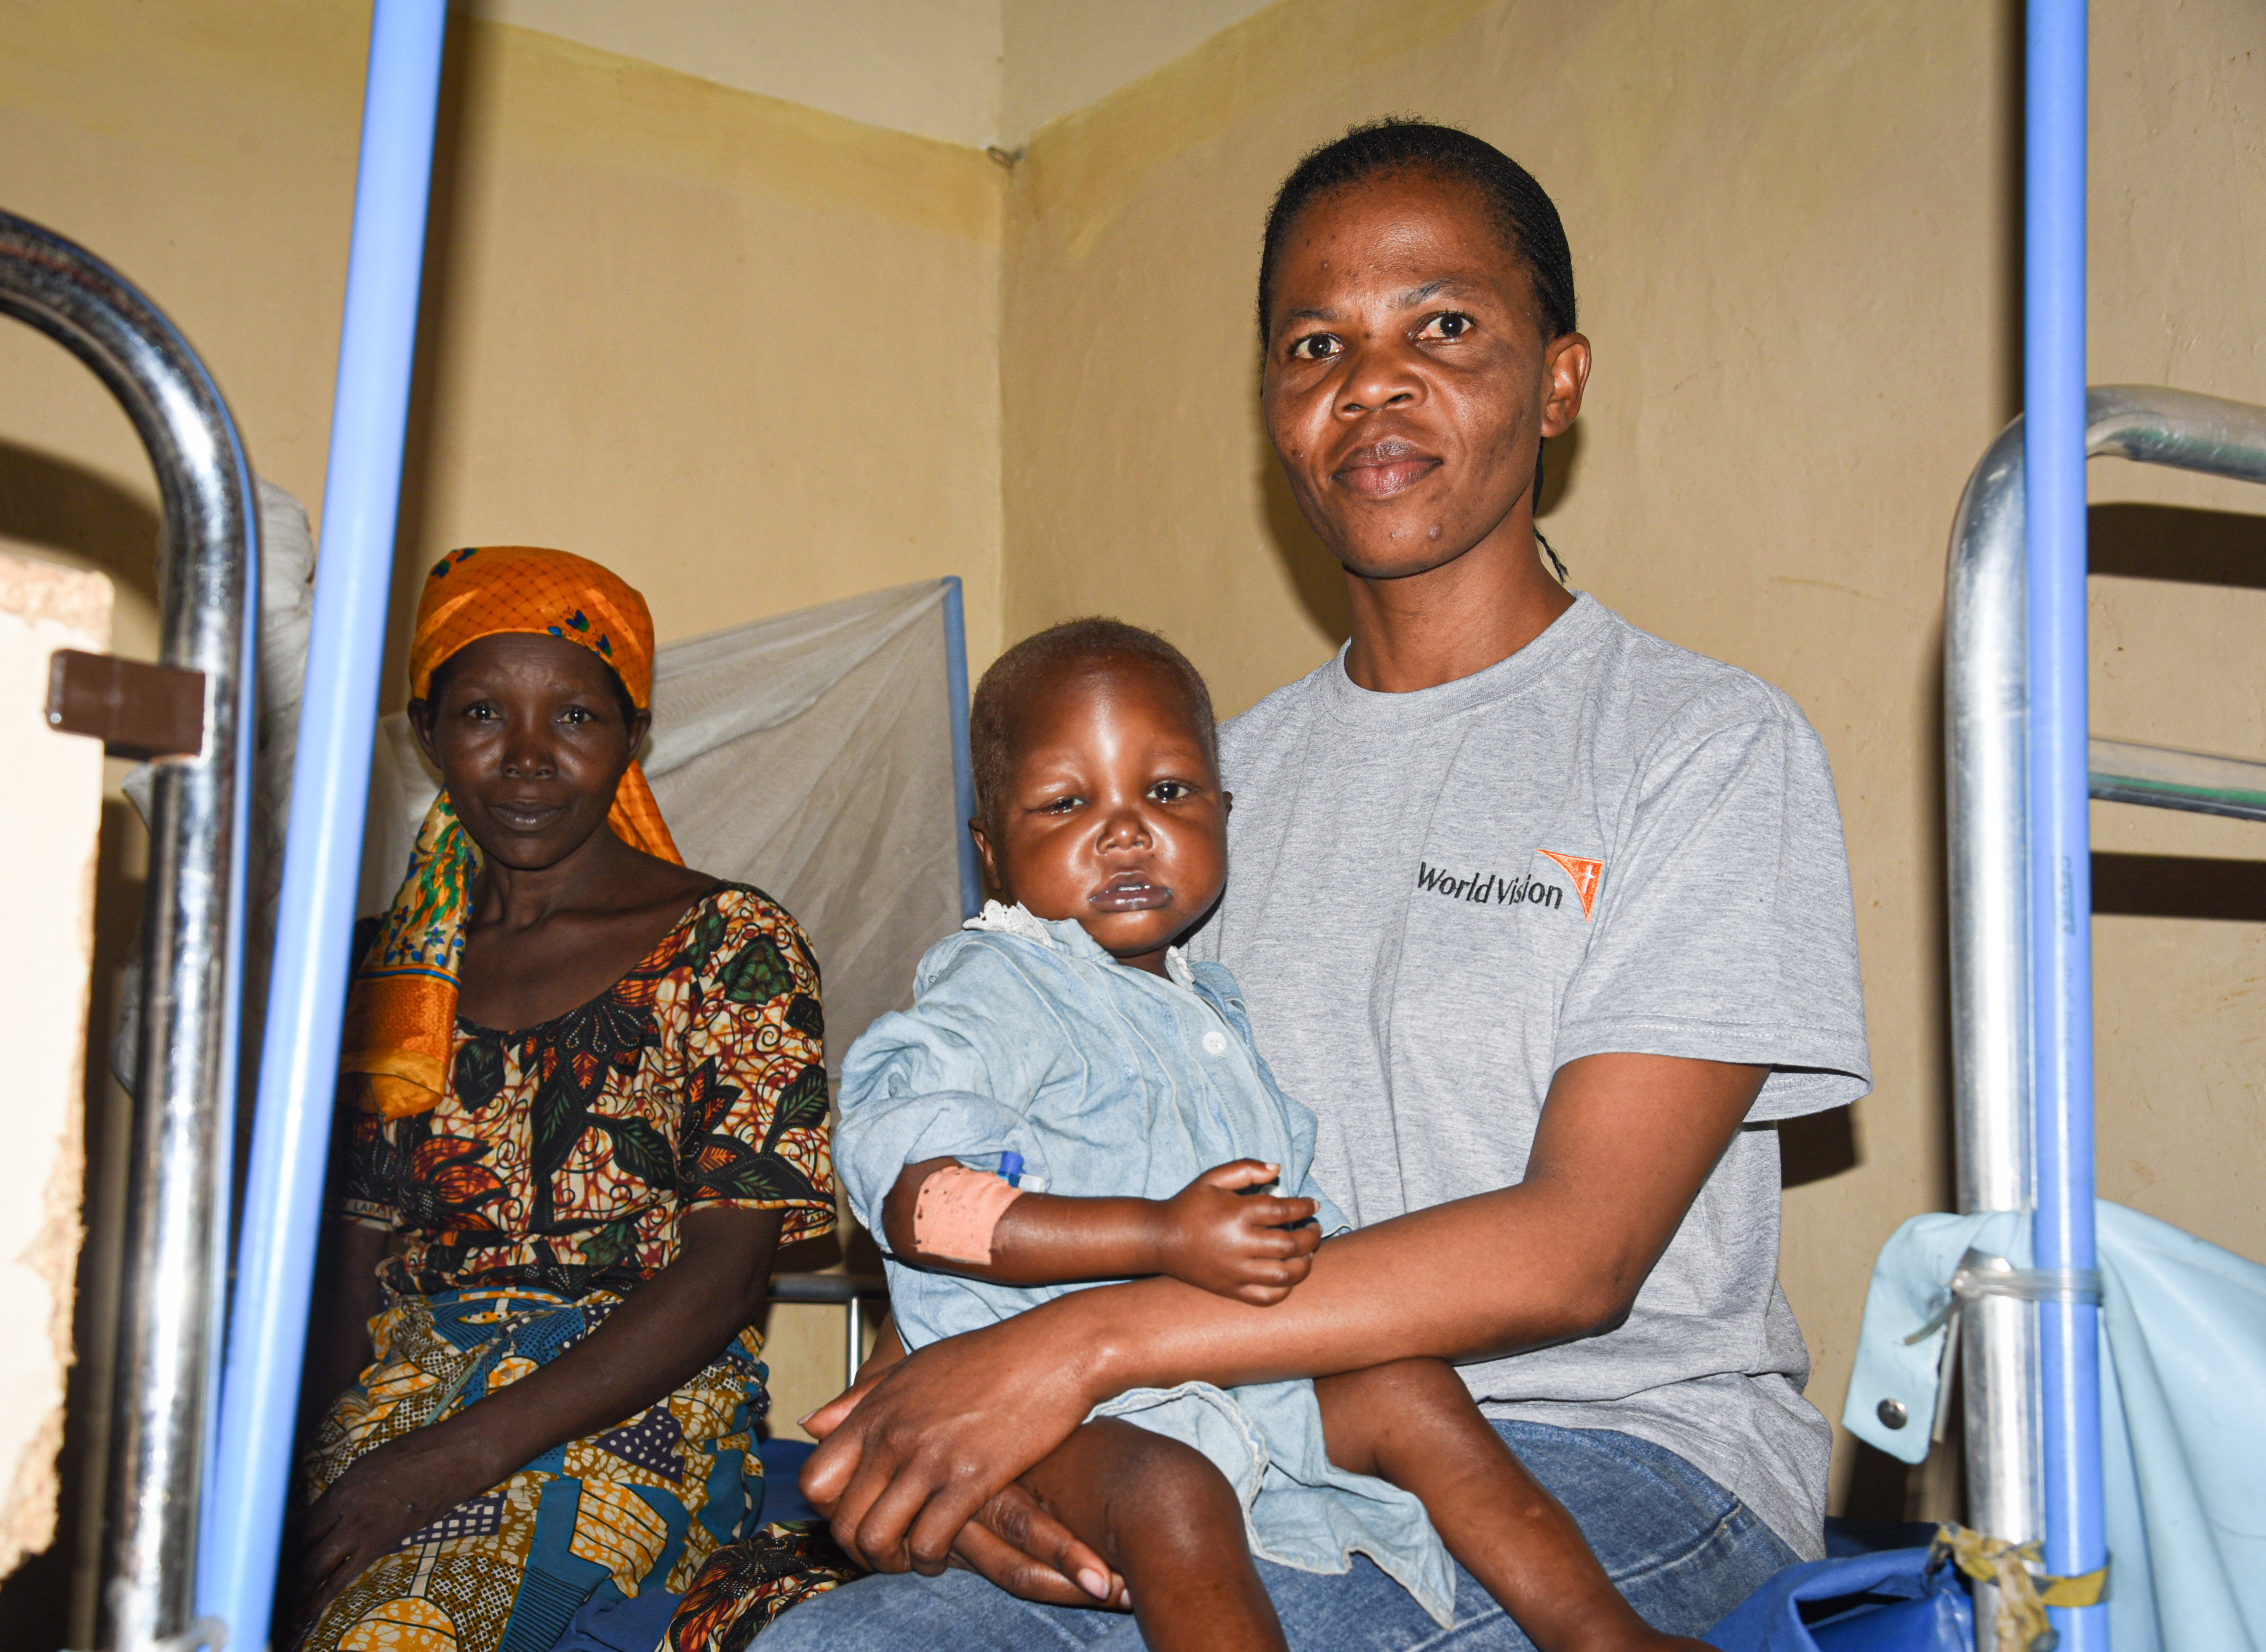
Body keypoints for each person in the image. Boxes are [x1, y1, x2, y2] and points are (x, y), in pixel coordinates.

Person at [756, 118, 1870, 1650]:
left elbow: (1575, 1247)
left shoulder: (1694, 745)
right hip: (1237, 1430)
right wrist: (1008, 1412)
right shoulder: (1194, 800)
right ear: (1274, 408)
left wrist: (1080, 1350)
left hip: (1608, 1449)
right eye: (1313, 342)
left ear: (1559, 377)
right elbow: (1007, 1106)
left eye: (1446, 325)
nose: (1372, 380)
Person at [829, 615, 1717, 1652]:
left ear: (1223, 812)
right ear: (990, 850)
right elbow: (920, 1200)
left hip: (1233, 1368)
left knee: (1410, 1389)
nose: (1123, 832)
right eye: (1067, 803)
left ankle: (1598, 1631)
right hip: (1067, 1421)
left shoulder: (1205, 1003)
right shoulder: (990, 988)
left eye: (1165, 794)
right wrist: (1152, 1236)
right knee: (1171, 1497)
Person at [286, 546, 836, 1652]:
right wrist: (299, 1477)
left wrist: (451, 1459)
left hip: (636, 1412)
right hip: (399, 1400)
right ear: (425, 732)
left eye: (576, 719)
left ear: (633, 737)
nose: (528, 758)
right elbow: (347, 1266)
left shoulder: (731, 947)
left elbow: (726, 1279)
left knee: (399, 1629)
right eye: (485, 711)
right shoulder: (382, 977)